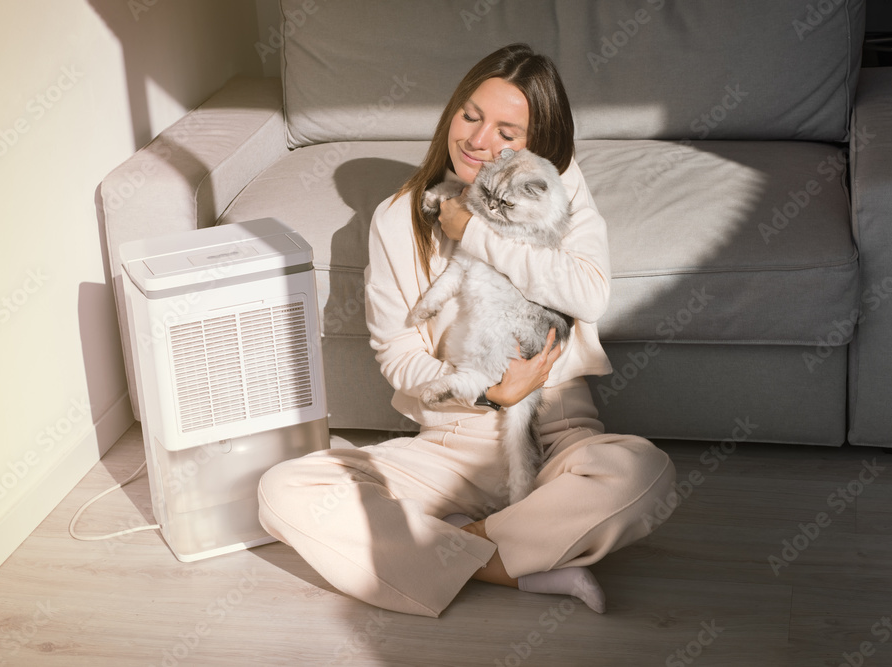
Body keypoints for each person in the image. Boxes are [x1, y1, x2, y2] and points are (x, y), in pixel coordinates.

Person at [258, 43, 677, 618]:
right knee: (283, 491)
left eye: (508, 131)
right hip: (453, 443)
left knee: (641, 471)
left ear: (538, 145)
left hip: (557, 434)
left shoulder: (557, 187)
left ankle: (456, 545)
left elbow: (587, 292)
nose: (478, 142)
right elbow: (398, 353)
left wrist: (474, 232)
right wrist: (485, 390)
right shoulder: (396, 218)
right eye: (470, 115)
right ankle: (514, 562)